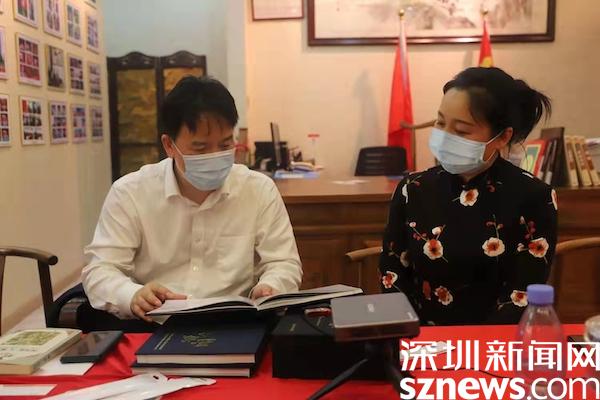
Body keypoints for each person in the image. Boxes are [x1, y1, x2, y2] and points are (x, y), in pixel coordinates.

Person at [82, 76, 302, 325]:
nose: (215, 156)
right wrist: (132, 295)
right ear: (169, 145)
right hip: (155, 325)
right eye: (200, 148)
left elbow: (283, 262)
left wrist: (271, 286)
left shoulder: (258, 189)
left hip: (235, 325)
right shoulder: (130, 193)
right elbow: (100, 270)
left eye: (225, 144)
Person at [379, 67, 557, 325]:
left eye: (462, 131)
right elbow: (392, 274)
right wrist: (411, 335)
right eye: (441, 123)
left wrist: (472, 344)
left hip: (493, 341)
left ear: (502, 137)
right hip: (420, 337)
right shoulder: (412, 188)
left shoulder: (534, 196)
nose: (445, 137)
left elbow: (522, 295)